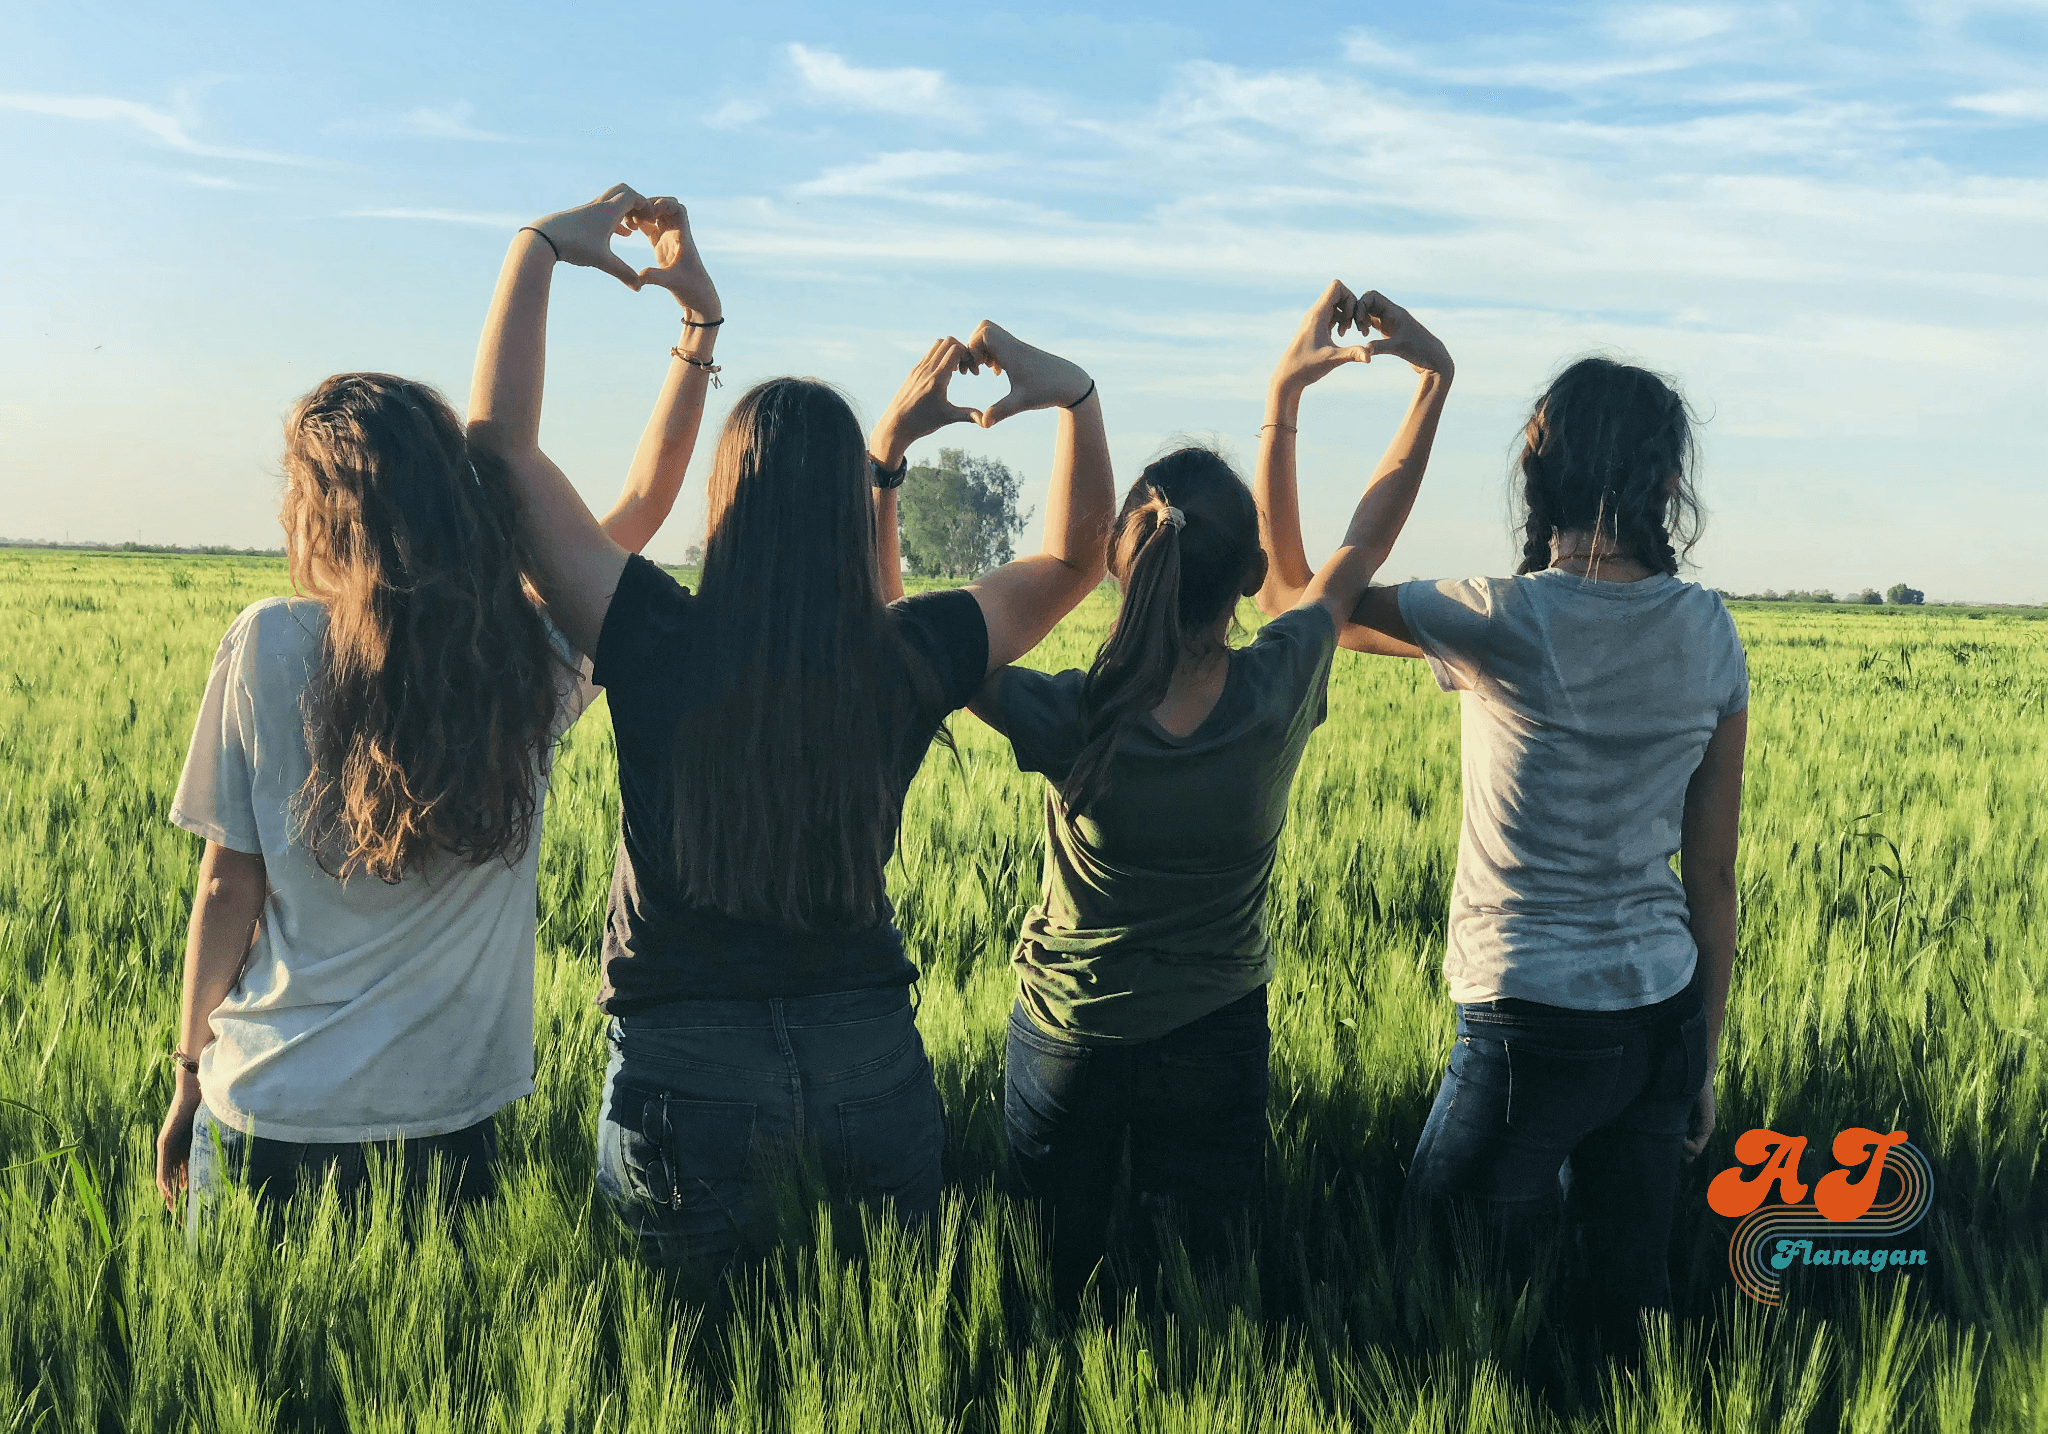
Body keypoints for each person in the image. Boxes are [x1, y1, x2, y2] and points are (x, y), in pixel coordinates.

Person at [464, 184, 1116, 1274]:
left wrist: (536, 248)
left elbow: (498, 456)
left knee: (697, 1378)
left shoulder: (654, 635)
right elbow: (1074, 557)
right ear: (839, 513)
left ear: (726, 502)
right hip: (870, 1062)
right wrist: (1075, 399)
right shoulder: (906, 656)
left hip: (683, 1073)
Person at [155, 197, 717, 1219]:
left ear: (315, 511)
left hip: (267, 1109)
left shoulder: (267, 643)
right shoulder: (521, 656)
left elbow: (223, 889)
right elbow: (641, 503)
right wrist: (695, 333)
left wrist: (190, 1068)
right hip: (448, 1124)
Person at [1256, 335, 1747, 1340]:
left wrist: (1283, 399)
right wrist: (1700, 1058)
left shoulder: (1497, 617)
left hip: (1526, 1024)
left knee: (1430, 1297)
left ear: (1538, 464)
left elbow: (1289, 599)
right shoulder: (1708, 631)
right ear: (1662, 480)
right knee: (1629, 1307)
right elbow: (1711, 878)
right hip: (1660, 1015)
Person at [970, 281, 1453, 1298]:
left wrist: (888, 459)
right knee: (1207, 1290)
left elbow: (914, 646)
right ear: (1247, 577)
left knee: (1047, 1290)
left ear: (1117, 569)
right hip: (1215, 1034)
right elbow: (1361, 538)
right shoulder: (1279, 682)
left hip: (1070, 1035)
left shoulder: (1073, 713)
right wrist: (1420, 383)